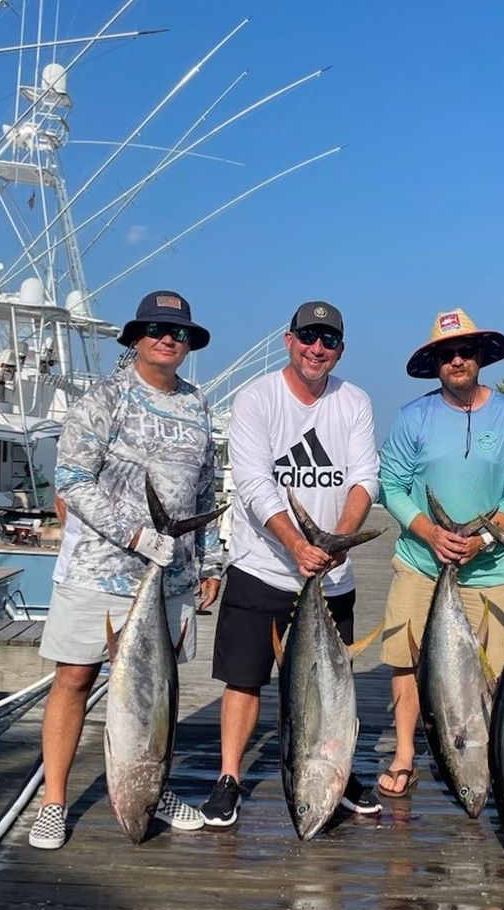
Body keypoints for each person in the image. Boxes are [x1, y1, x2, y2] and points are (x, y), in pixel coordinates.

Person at [27, 291, 222, 850]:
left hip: (172, 575)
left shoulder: (197, 404)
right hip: (98, 571)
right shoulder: (103, 398)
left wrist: (207, 560)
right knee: (73, 679)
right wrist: (135, 534)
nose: (168, 338)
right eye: (157, 328)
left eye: (179, 332)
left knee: (155, 689)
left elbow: (204, 490)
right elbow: (72, 480)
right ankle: (54, 801)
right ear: (136, 337)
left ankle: (151, 784)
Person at [205, 300, 381, 828]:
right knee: (244, 679)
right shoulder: (257, 398)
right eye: (308, 337)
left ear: (340, 350)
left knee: (331, 684)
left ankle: (337, 768)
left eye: (328, 341)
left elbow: (364, 478)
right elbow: (256, 484)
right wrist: (297, 545)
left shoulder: (354, 400)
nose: (317, 348)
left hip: (332, 572)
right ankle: (229, 776)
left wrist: (338, 540)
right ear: (289, 340)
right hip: (261, 568)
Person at [377, 308, 504, 797]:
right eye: (446, 354)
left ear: (481, 358)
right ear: (436, 363)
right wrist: (431, 532)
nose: (457, 360)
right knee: (404, 658)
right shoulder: (414, 416)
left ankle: (487, 752)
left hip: (489, 570)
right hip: (421, 562)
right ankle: (406, 753)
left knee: (494, 666)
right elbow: (392, 484)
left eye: (465, 351)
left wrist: (483, 540)